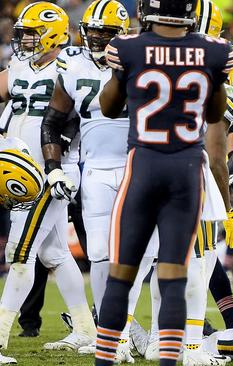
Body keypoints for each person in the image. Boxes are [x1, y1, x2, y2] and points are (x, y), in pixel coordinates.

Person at [95, 0, 233, 364]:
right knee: (174, 275)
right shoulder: (214, 51)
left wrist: (120, 75)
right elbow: (215, 112)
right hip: (187, 171)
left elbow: (109, 107)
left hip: (144, 165)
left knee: (121, 275)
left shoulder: (127, 47)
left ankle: (104, 358)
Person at [39, 0, 159, 362]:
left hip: (141, 162)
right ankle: (114, 333)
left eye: (104, 33)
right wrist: (53, 166)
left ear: (120, 35)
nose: (95, 39)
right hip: (95, 170)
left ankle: (147, 335)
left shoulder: (142, 59)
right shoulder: (72, 66)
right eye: (91, 31)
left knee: (146, 252)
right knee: (101, 255)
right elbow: (53, 122)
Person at [0, 2, 96, 362]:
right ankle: (86, 328)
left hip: (51, 169)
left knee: (20, 252)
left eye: (31, 33)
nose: (24, 39)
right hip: (20, 165)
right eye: (22, 32)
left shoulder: (71, 65)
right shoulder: (21, 63)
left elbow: (72, 118)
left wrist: (57, 163)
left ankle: (0, 336)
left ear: (53, 33)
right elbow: (12, 105)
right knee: (54, 253)